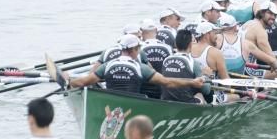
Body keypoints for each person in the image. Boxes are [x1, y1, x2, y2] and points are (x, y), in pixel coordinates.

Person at [66, 34, 202, 96]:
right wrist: (192, 82)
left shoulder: (107, 66)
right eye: (138, 49)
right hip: (133, 108)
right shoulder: (140, 68)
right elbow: (168, 83)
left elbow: (84, 81)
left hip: (110, 105)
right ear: (134, 50)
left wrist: (69, 80)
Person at [160, 29, 207, 104]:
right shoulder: (193, 62)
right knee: (200, 94)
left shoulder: (166, 60)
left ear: (175, 44)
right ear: (190, 44)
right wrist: (206, 75)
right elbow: (206, 90)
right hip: (186, 103)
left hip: (165, 101)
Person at [242, 4, 277, 79]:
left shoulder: (248, 23)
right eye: (270, 13)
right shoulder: (260, 30)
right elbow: (270, 56)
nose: (273, 17)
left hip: (241, 67)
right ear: (261, 13)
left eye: (275, 15)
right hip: (247, 70)